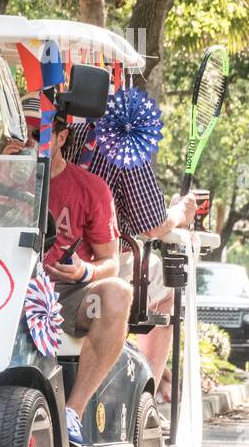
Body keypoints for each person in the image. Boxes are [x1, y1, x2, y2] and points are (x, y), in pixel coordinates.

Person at [62, 114, 197, 404]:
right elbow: (153, 225)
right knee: (165, 292)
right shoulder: (124, 140)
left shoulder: (63, 132)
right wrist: (181, 213)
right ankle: (146, 395)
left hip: (65, 257)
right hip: (95, 257)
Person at [36, 109, 133, 446]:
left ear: (62, 137)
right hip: (8, 287)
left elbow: (110, 261)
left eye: (40, 135)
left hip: (66, 292)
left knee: (118, 292)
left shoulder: (91, 188)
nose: (31, 143)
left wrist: (84, 271)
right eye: (24, 133)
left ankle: (72, 411)